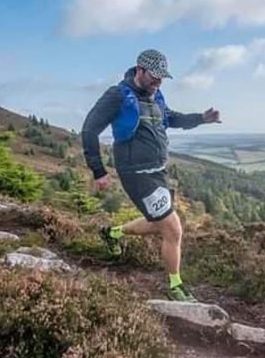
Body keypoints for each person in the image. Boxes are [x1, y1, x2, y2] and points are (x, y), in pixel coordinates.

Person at [81, 49, 221, 302]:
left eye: (162, 77)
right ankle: (175, 285)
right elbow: (89, 130)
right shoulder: (117, 96)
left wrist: (201, 118)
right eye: (155, 76)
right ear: (139, 70)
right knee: (173, 228)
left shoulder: (156, 96)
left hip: (158, 171)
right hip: (136, 173)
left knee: (158, 222)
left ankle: (112, 233)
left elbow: (172, 118)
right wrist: (98, 171)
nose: (159, 81)